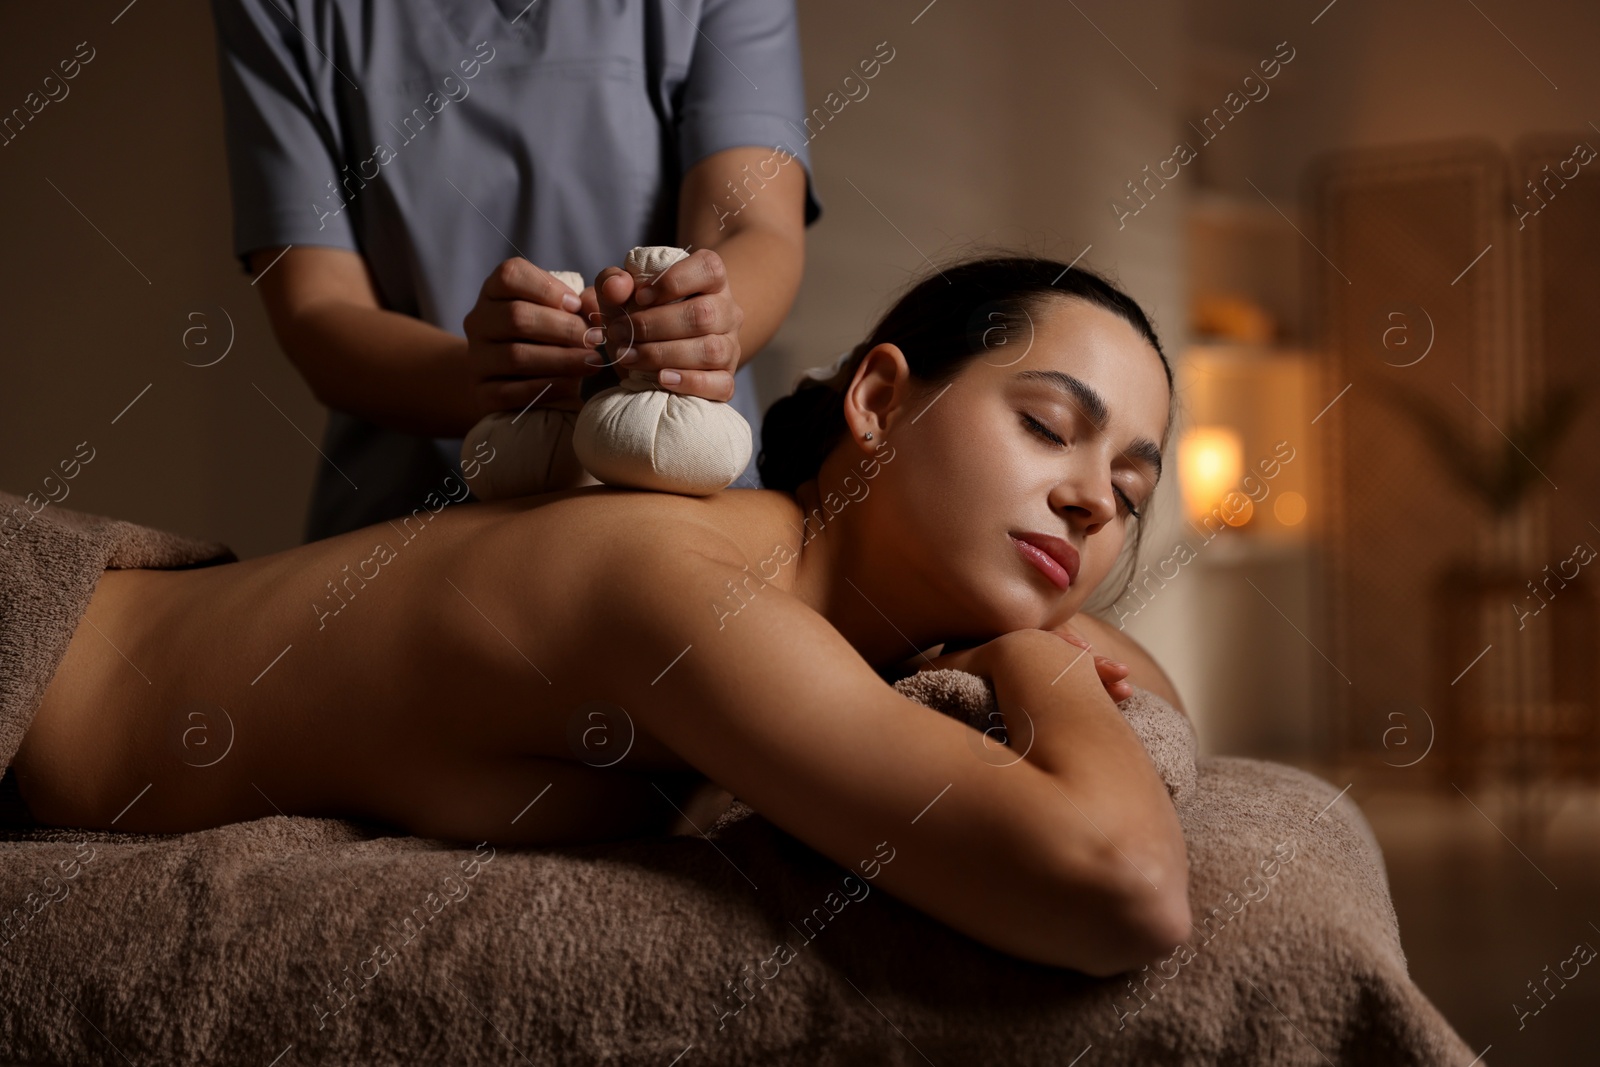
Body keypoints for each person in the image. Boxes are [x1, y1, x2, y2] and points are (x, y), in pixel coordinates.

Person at [12, 254, 1188, 976]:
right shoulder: (685, 587)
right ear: (877, 401)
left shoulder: (792, 605)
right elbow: (1121, 884)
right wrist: (1041, 658)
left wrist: (1017, 640)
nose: (1091, 497)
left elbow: (1168, 715)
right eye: (1045, 425)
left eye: (1130, 492)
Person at [210, 0, 821, 541]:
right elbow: (316, 308)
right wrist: (484, 378)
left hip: (684, 522)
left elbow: (753, 226)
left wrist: (701, 318)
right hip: (410, 532)